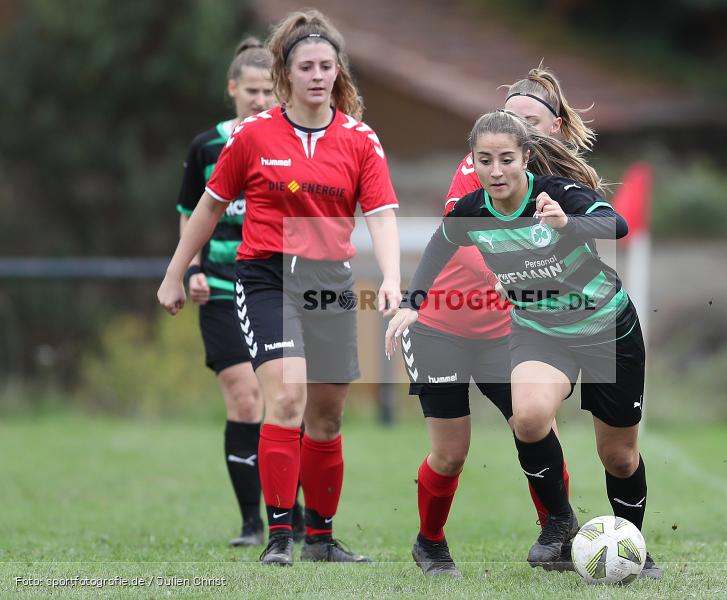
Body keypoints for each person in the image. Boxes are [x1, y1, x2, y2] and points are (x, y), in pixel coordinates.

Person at [159, 9, 401, 566]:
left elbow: (383, 213)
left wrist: (391, 278)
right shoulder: (252, 136)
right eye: (306, 66)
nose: (317, 75)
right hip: (268, 276)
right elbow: (209, 206)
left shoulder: (360, 140)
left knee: (327, 415)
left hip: (330, 280)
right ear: (285, 74)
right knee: (286, 398)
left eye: (326, 66)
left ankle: (321, 539)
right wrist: (177, 271)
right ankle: (278, 537)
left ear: (337, 72)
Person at [387, 109, 661, 578]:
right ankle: (558, 522)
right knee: (530, 418)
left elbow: (616, 225)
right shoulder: (472, 209)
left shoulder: (555, 194)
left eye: (506, 159)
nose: (496, 171)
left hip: (606, 329)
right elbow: (441, 240)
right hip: (539, 329)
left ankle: (630, 547)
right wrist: (413, 301)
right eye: (485, 160)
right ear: (472, 162)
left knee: (619, 455)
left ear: (526, 158)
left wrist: (566, 225)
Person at [400, 66, 596, 577]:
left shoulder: (562, 185)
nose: (516, 128)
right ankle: (429, 542)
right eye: (510, 118)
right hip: (441, 326)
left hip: (502, 331)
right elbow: (465, 245)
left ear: (551, 129)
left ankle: (558, 535)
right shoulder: (484, 167)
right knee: (451, 452)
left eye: (529, 121)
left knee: (534, 425)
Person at [175, 37, 307, 549]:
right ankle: (253, 523)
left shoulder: (286, 144)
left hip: (278, 290)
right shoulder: (208, 147)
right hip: (223, 291)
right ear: (233, 89)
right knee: (245, 397)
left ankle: (291, 514)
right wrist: (190, 272)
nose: (258, 99)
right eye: (250, 90)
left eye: (266, 90)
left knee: (284, 399)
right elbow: (192, 214)